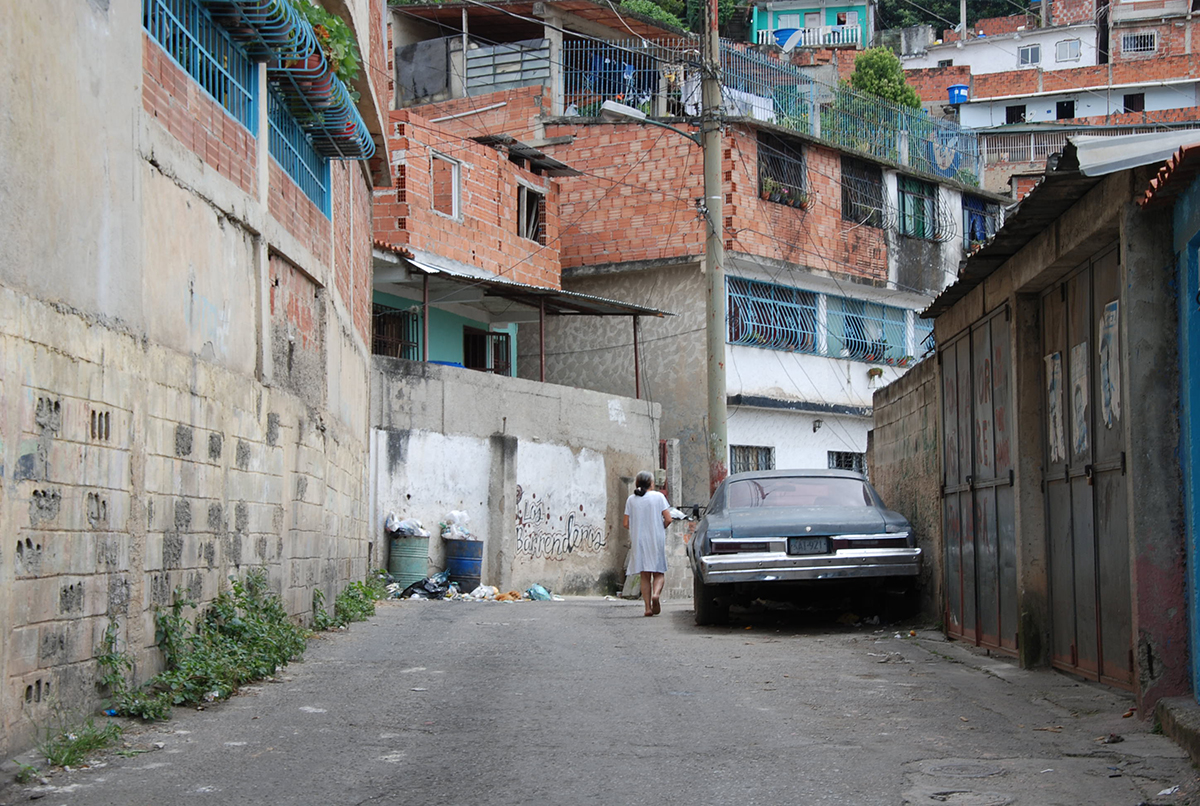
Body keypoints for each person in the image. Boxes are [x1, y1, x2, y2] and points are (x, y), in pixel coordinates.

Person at [623, 470, 672, 617]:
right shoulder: (659, 497)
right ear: (651, 483)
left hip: (639, 539)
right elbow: (668, 519)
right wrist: (659, 526)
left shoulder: (631, 499)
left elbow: (626, 523)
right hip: (655, 538)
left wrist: (639, 527)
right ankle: (656, 595)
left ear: (637, 483)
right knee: (659, 572)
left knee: (645, 574)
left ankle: (647, 608)